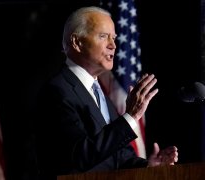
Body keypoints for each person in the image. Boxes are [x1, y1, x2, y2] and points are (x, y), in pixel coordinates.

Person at [33, 6, 178, 179]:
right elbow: (80, 156)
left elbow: (116, 157)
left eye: (114, 38)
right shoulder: (57, 91)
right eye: (103, 36)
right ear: (77, 42)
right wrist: (130, 116)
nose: (113, 45)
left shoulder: (99, 94)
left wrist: (148, 166)